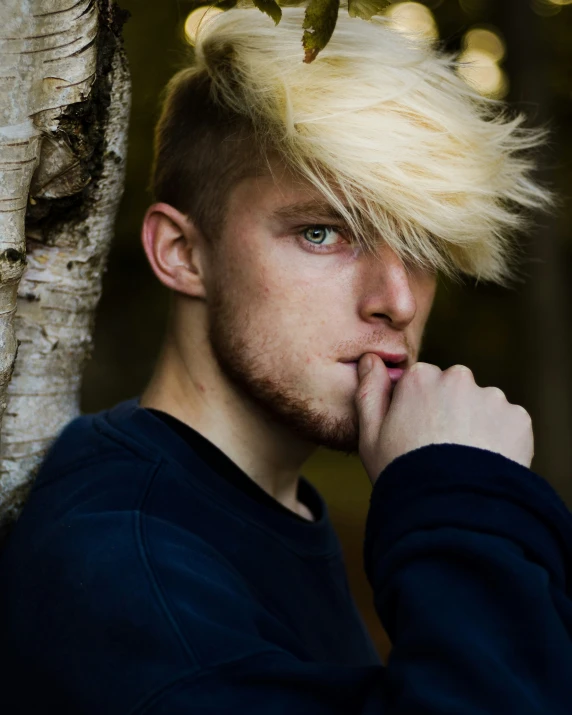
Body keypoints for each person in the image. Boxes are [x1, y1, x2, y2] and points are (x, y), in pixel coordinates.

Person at [1, 6, 571, 713]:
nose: (397, 299)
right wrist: (465, 504)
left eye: (421, 244)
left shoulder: (260, 505)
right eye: (323, 232)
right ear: (182, 253)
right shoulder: (123, 566)